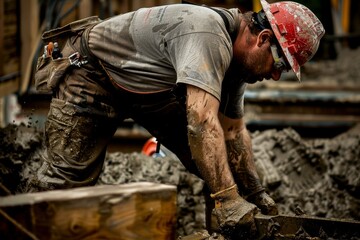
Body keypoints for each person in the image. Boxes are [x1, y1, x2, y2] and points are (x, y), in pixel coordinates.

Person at [32, 0, 324, 237]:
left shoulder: (239, 64)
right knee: (64, 185)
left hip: (148, 89)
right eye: (280, 64)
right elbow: (201, 121)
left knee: (223, 171)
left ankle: (223, 232)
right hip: (93, 72)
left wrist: (253, 191)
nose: (275, 75)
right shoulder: (209, 35)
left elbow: (232, 131)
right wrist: (227, 199)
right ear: (263, 38)